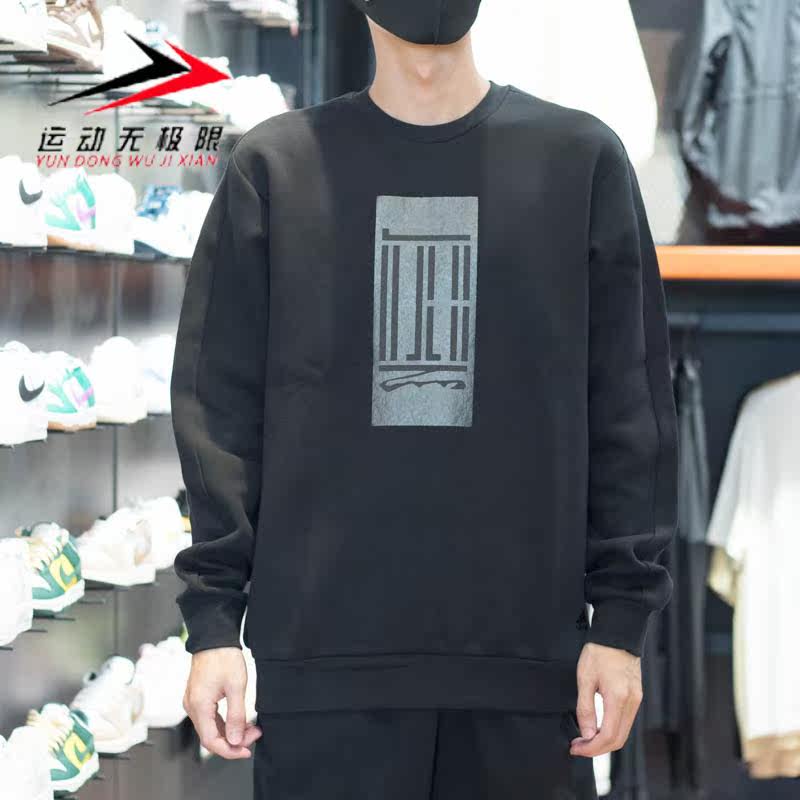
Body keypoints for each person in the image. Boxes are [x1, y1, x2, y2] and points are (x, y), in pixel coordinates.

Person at [171, 1, 678, 797]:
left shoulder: (579, 161)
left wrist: (621, 623)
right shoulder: (274, 169)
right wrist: (211, 626)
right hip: (323, 674)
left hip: (526, 674)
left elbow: (629, 407)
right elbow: (220, 415)